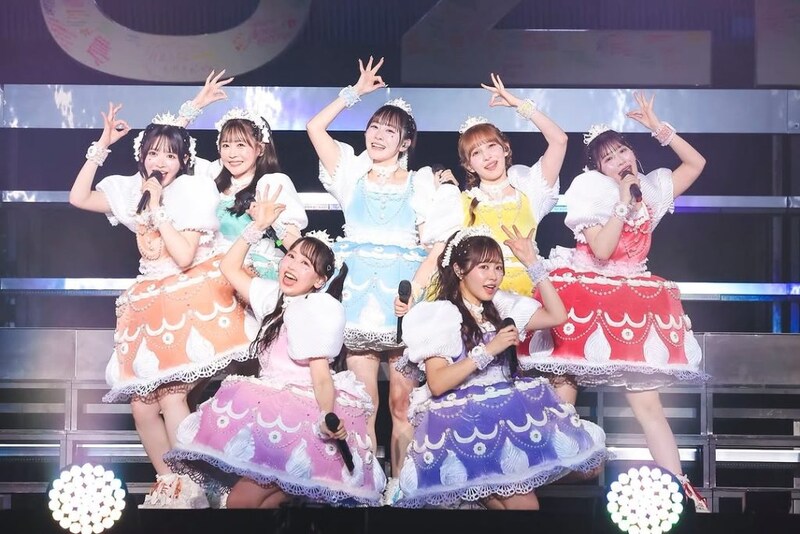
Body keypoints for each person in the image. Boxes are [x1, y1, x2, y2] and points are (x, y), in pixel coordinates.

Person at [526, 92, 710, 512]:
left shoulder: (651, 190)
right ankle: (534, 482)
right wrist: (623, 203)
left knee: (648, 404)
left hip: (632, 298)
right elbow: (603, 250)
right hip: (586, 293)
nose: (619, 160)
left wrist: (660, 130)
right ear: (598, 168)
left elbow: (696, 164)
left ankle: (681, 490)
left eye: (622, 151)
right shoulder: (593, 192)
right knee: (564, 388)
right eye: (608, 158)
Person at [68, 103, 252, 508]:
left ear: (184, 161)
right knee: (141, 405)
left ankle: (196, 482)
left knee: (171, 396)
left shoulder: (191, 191)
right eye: (153, 153)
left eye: (170, 155)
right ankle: (171, 485)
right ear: (142, 157)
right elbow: (78, 198)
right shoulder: (132, 189)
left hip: (188, 299)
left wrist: (156, 207)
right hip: (149, 306)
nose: (160, 161)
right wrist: (102, 145)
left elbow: (184, 256)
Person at [165, 187, 385, 507]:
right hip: (269, 413)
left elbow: (321, 376)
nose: (292, 265)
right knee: (263, 506)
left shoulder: (316, 309)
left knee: (240, 503)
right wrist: (256, 227)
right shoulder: (272, 298)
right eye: (291, 256)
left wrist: (326, 414)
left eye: (305, 263)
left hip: (300, 416)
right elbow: (229, 268)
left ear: (319, 280)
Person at [306, 56, 461, 497]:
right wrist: (354, 93)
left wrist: (415, 293)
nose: (377, 135)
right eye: (373, 126)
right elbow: (315, 128)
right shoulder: (350, 172)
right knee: (362, 401)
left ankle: (402, 487)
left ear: (406, 142)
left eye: (389, 131)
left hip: (403, 297)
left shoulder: (423, 183)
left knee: (401, 402)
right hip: (356, 295)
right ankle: (364, 486)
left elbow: (437, 246)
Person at [395, 226, 607, 509]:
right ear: (459, 270)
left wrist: (532, 263)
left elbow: (557, 315)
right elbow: (437, 383)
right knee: (525, 506)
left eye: (498, 267)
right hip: (467, 422)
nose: (493, 276)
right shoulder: (441, 314)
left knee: (587, 466)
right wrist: (489, 350)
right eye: (483, 267)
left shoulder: (501, 305)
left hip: (508, 414)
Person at [175, 71, 308, 278]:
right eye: (226, 145)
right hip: (210, 271)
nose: (232, 154)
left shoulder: (272, 183)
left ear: (260, 149)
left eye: (241, 145)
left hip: (251, 274)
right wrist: (197, 104)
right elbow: (166, 146)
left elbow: (294, 246)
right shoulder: (211, 175)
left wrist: (270, 223)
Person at [455, 73, 567, 296]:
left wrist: (518, 104)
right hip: (480, 299)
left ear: (505, 148)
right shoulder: (460, 203)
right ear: (468, 165)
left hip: (530, 295)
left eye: (491, 146)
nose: (487, 156)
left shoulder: (530, 191)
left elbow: (559, 140)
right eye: (476, 153)